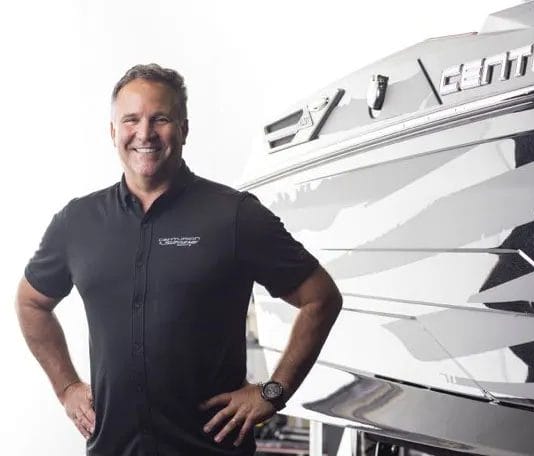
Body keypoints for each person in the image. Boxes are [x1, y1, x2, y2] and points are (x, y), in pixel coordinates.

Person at [15, 63, 342, 456]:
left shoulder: (235, 215)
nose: (145, 133)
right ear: (113, 132)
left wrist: (274, 391)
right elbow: (32, 302)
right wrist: (67, 387)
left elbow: (321, 298)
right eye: (131, 120)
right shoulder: (77, 221)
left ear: (184, 129)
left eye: (161, 119)